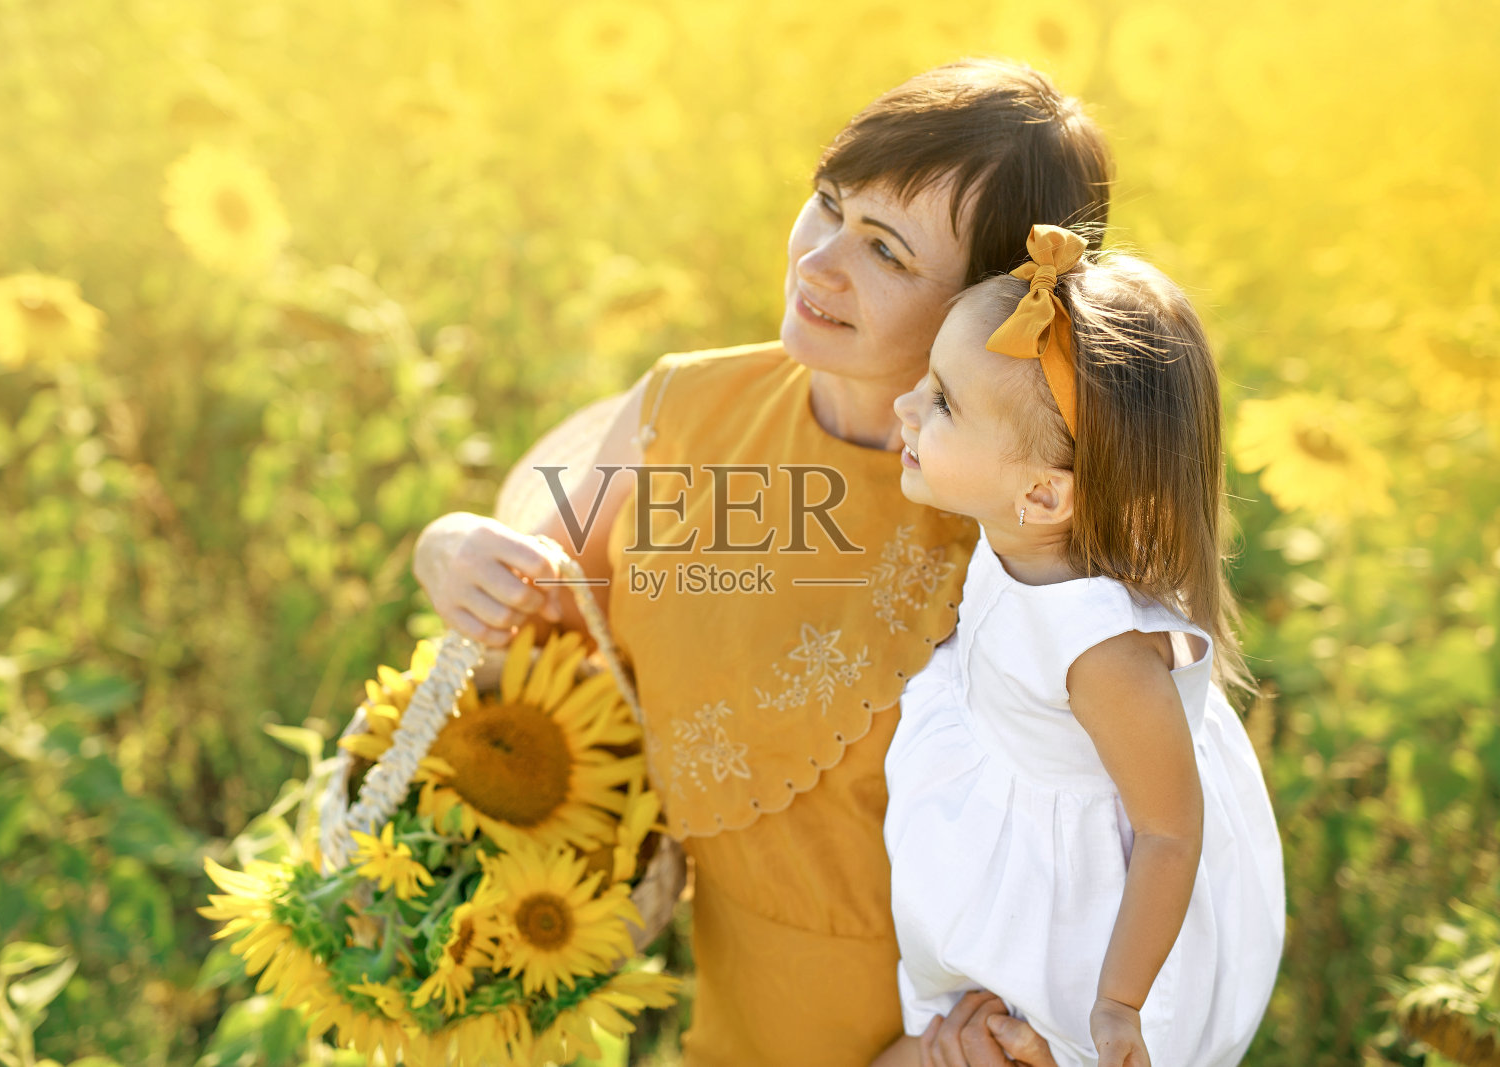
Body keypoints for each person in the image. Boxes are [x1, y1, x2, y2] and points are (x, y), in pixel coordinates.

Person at [414, 62, 1114, 1067]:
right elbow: (537, 589)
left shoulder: (1012, 522)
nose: (820, 262)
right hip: (733, 1004)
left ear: (996, 306)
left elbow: (1094, 845)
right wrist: (449, 548)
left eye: (884, 250)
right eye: (828, 205)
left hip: (928, 1035)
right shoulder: (686, 403)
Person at [878, 226, 1285, 1067]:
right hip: (1012, 821)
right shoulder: (1017, 533)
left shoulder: (1100, 652)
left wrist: (1115, 1004)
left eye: (942, 402)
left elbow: (1170, 832)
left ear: (1043, 492)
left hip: (1092, 919)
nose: (905, 407)